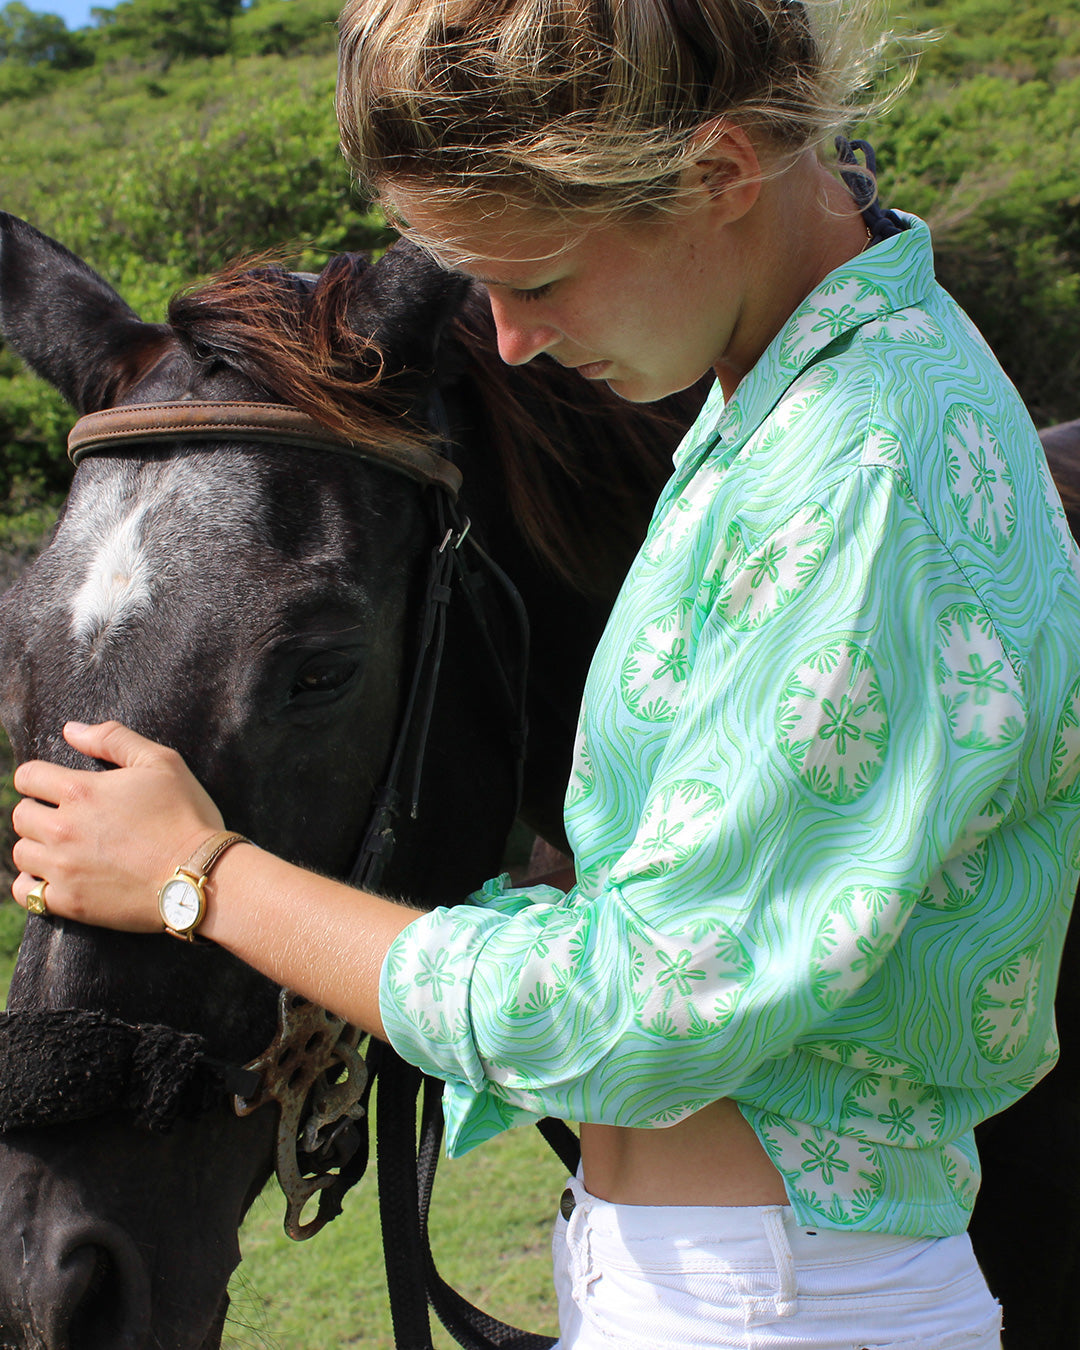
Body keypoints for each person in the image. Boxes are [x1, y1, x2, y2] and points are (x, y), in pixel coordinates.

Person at [11, 1, 1080, 1345]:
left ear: (719, 171)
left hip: (770, 1304)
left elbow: (646, 1010)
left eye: (536, 280)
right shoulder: (794, 413)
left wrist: (203, 876)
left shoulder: (865, 470)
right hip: (732, 1277)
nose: (506, 342)